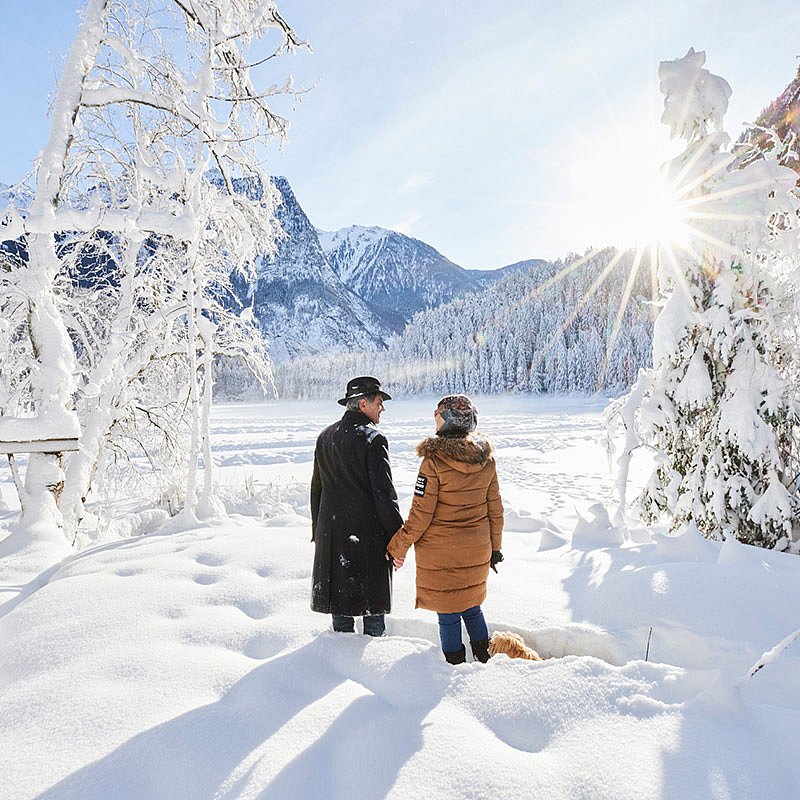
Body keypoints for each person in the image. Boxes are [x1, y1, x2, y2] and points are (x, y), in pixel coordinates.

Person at [387, 394, 504, 664]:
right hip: (477, 549)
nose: (434, 419)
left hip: (443, 553)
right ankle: (485, 659)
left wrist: (398, 546)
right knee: (472, 607)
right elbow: (495, 510)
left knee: (449, 614)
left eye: (438, 415)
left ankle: (454, 667)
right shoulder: (486, 460)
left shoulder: (434, 462)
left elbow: (420, 514)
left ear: (450, 420)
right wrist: (495, 549)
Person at [310, 376, 403, 636]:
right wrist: (398, 538)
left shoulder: (325, 436)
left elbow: (317, 490)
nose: (382, 407)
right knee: (372, 610)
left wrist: (318, 532)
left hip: (332, 536)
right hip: (367, 538)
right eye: (379, 402)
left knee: (340, 608)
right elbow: (384, 495)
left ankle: (340, 658)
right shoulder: (373, 439)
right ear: (363, 404)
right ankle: (373, 660)